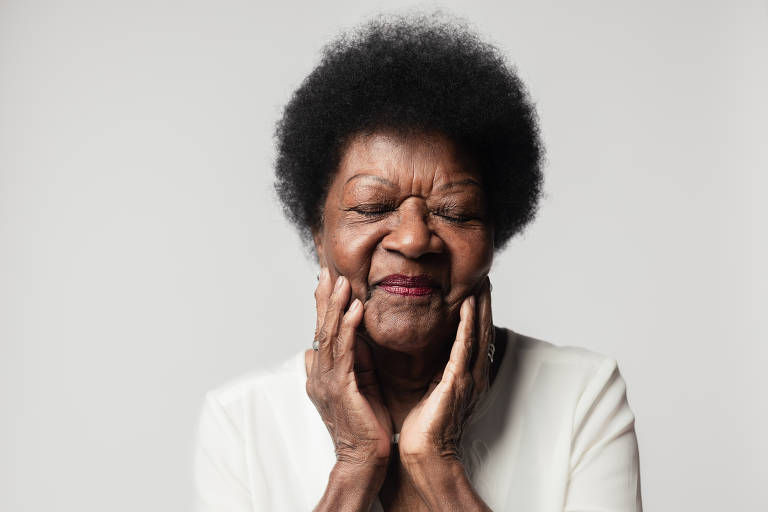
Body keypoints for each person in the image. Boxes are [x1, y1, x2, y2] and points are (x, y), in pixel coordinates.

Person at [195, 14, 642, 512]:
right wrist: (355, 461)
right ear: (318, 235)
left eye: (455, 212)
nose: (413, 239)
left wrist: (437, 464)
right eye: (371, 207)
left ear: (495, 232)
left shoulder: (581, 396)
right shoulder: (242, 421)